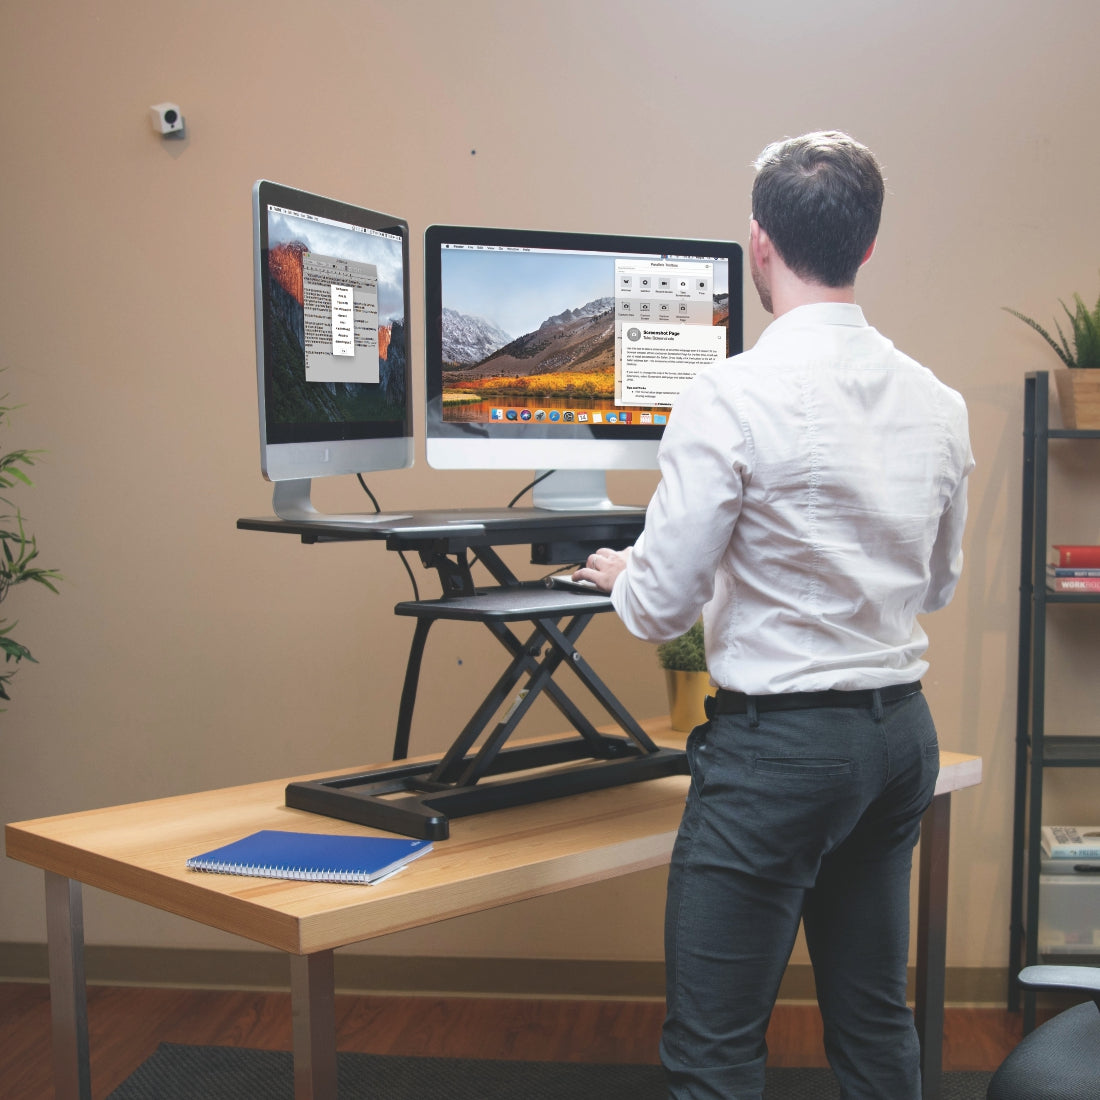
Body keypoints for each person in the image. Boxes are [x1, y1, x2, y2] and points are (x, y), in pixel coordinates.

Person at [573, 131, 974, 1100]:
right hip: (895, 744)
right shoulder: (938, 402)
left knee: (714, 1048)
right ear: (865, 246)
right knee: (874, 1021)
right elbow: (933, 586)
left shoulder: (726, 393)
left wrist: (630, 573)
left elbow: (656, 605)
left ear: (757, 244)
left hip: (778, 757)